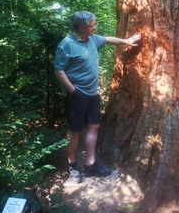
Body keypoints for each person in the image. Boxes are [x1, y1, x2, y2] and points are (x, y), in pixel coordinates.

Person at [54, 11, 141, 183]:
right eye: (92, 25)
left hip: (92, 93)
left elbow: (108, 39)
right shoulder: (67, 45)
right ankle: (72, 166)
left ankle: (90, 165)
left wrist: (126, 41)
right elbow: (59, 70)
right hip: (75, 95)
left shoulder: (92, 39)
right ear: (82, 27)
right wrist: (73, 91)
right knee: (75, 130)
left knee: (94, 126)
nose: (94, 27)